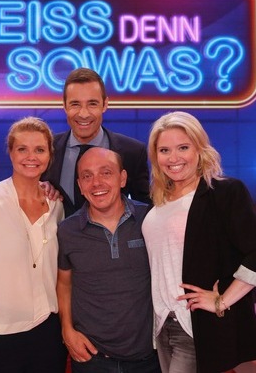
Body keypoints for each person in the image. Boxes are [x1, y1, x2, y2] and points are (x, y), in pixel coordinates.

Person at [142, 111, 256, 373]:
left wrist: (222, 301)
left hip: (195, 327)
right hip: (161, 325)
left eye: (183, 147)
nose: (173, 158)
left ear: (199, 149)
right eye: (164, 150)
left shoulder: (224, 193)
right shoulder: (156, 201)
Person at [0, 116, 67, 373]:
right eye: (22, 149)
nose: (31, 157)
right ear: (10, 152)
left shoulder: (57, 206)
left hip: (49, 335)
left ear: (49, 155)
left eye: (39, 150)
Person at [56, 147, 161, 373]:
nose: (96, 183)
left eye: (106, 173)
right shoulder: (67, 230)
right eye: (87, 176)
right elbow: (64, 284)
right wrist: (67, 330)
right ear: (80, 185)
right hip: (91, 359)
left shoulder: (150, 219)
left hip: (148, 359)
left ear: (122, 178)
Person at [41, 67, 150, 217]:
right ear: (65, 106)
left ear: (105, 104)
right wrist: (39, 188)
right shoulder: (46, 149)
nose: (83, 114)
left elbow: (144, 211)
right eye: (75, 104)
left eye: (92, 104)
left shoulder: (132, 152)